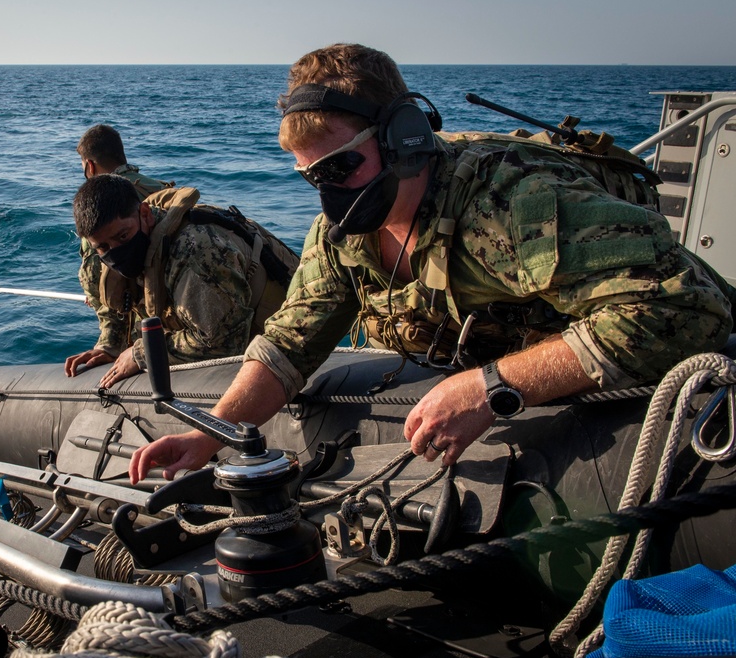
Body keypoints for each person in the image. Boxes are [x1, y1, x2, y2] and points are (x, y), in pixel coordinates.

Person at [128, 43, 734, 484]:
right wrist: (210, 434)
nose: (328, 193)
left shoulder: (510, 203)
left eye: (339, 168)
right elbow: (290, 344)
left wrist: (491, 388)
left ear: (403, 139)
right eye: (312, 176)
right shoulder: (343, 235)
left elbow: (684, 307)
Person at [65, 174, 299, 388]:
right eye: (103, 247)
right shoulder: (106, 255)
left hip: (284, 337)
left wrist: (142, 354)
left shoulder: (195, 251)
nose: (115, 251)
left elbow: (223, 344)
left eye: (123, 236)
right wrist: (110, 346)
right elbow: (115, 305)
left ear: (145, 215)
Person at [76, 124, 175, 309]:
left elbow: (93, 279)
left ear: (90, 166)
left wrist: (94, 297)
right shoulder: (162, 190)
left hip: (135, 308)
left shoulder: (99, 208)